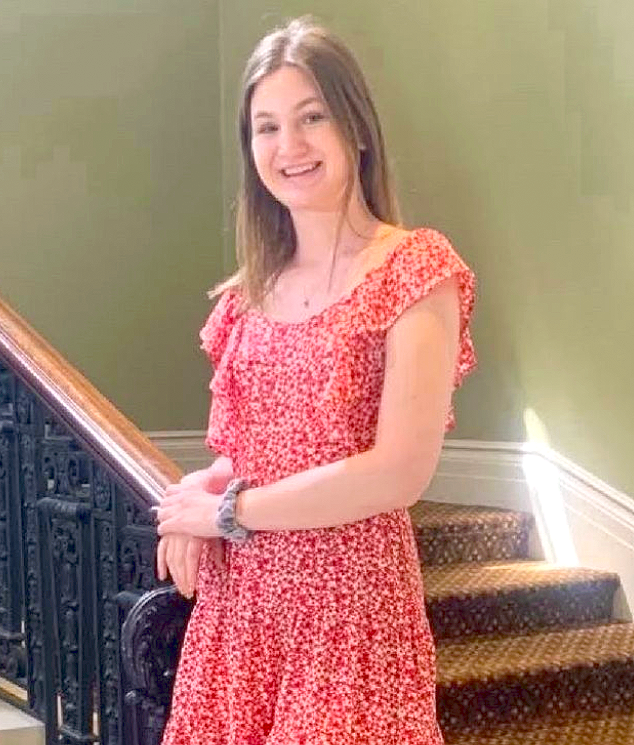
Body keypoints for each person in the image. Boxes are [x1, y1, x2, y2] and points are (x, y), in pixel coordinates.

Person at [155, 15, 477, 745]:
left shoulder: (414, 270)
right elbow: (269, 444)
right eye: (265, 128)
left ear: (356, 129)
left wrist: (228, 512)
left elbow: (398, 472)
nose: (288, 146)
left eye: (311, 117)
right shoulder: (247, 294)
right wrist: (208, 488)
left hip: (351, 611)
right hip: (243, 613)